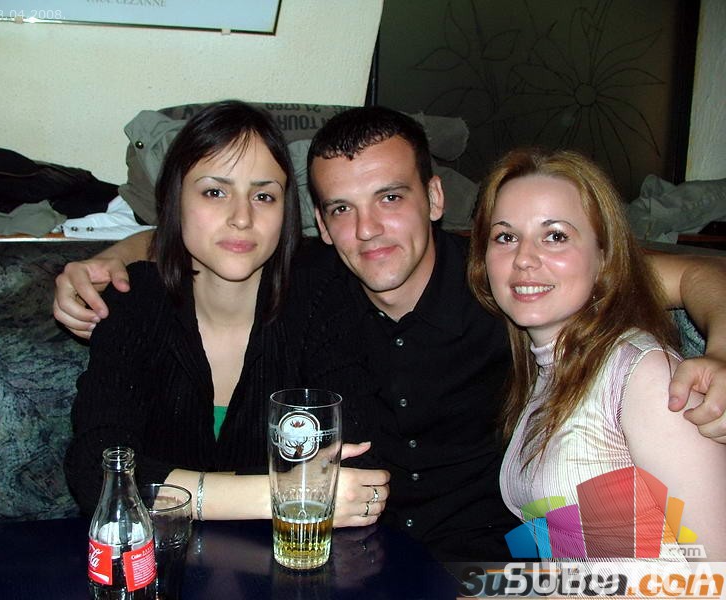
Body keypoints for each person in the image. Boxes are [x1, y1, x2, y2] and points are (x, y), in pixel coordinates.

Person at [55, 106, 726, 561]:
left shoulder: (505, 273)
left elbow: (692, 274)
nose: (368, 230)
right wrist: (112, 258)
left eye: (390, 197)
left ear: (434, 198)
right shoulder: (315, 284)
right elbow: (210, 246)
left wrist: (720, 351)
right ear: (320, 224)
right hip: (347, 566)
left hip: (484, 567)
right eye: (342, 209)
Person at [63, 100, 390, 527]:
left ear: (286, 212)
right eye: (214, 192)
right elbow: (96, 471)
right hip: (162, 557)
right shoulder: (134, 300)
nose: (241, 218)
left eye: (263, 196)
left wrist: (171, 489)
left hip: (289, 558)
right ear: (175, 200)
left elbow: (361, 462)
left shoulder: (321, 295)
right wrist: (282, 493)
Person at [466, 148, 726, 560]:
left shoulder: (645, 376)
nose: (524, 259)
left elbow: (718, 572)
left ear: (604, 257)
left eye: (556, 236)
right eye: (506, 237)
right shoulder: (547, 369)